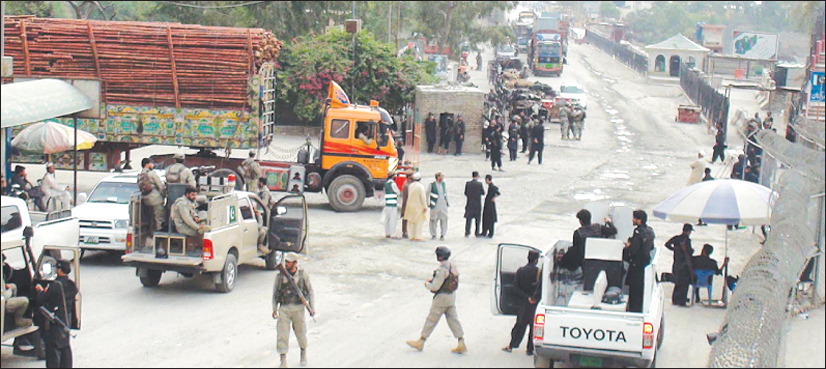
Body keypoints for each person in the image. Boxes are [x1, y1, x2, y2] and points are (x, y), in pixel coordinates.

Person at [406, 246, 466, 354]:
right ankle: (461, 342)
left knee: (431, 319)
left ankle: (421, 341)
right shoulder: (452, 265)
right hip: (451, 297)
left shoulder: (442, 269)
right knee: (453, 320)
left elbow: (435, 287)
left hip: (441, 298)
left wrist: (427, 284)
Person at [272, 252, 314, 368]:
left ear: (295, 263)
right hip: (284, 308)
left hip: (298, 308)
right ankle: (283, 360)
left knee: (301, 333)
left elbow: (310, 291)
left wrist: (311, 307)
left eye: (288, 262)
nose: (286, 264)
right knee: (282, 335)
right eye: (285, 262)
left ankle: (303, 353)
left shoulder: (301, 275)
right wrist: (274, 308)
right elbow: (275, 293)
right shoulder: (280, 276)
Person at [35, 260, 78, 369]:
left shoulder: (55, 285)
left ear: (59, 270)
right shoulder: (72, 285)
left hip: (54, 323)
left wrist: (40, 291)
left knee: (52, 352)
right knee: (65, 348)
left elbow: (41, 299)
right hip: (65, 322)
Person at [502, 250, 540, 355]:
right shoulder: (539, 272)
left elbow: (515, 287)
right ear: (536, 260)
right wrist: (534, 298)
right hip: (535, 304)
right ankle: (530, 349)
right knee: (534, 326)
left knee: (520, 325)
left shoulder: (521, 271)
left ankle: (511, 345)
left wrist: (526, 297)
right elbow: (541, 288)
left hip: (524, 303)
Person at [623, 210, 655, 313]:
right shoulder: (650, 231)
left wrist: (627, 247)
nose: (632, 220)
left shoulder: (638, 233)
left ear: (639, 220)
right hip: (645, 265)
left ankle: (634, 312)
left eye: (634, 218)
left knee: (634, 294)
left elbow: (634, 251)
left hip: (636, 266)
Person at [171, 187, 210, 252]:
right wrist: (198, 228)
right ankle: (196, 248)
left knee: (204, 214)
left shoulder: (188, 201)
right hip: (182, 227)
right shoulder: (182, 204)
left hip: (187, 224)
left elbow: (192, 211)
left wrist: (196, 217)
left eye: (195, 195)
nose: (194, 197)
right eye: (192, 195)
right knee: (202, 232)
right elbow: (187, 219)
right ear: (187, 194)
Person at [664, 224, 694, 306]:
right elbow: (689, 252)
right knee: (684, 283)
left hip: (676, 262)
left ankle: (675, 299)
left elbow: (667, 244)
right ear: (688, 231)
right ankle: (681, 300)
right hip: (684, 264)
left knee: (677, 281)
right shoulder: (687, 240)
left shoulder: (676, 238)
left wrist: (675, 250)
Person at [139, 158, 166, 233]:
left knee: (150, 218)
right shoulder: (152, 174)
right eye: (152, 163)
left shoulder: (141, 174)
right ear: (147, 164)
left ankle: (150, 232)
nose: (153, 165)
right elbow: (160, 186)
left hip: (146, 199)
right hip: (155, 199)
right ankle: (159, 234)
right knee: (159, 218)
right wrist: (163, 196)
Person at [404, 172, 428, 241]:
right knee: (418, 222)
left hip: (410, 205)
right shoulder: (421, 187)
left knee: (411, 222)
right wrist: (425, 206)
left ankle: (411, 236)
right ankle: (418, 236)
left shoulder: (411, 185)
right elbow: (423, 197)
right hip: (418, 206)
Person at [428, 173, 450, 241]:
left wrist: (447, 202)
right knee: (433, 220)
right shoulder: (432, 185)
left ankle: (443, 234)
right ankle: (433, 234)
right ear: (437, 177)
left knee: (444, 219)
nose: (442, 178)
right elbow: (427, 193)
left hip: (443, 205)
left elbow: (445, 193)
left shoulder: (443, 184)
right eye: (440, 177)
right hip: (435, 205)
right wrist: (427, 203)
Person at [464, 172, 485, 238]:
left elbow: (465, 193)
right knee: (477, 220)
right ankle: (477, 232)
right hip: (477, 204)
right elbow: (483, 193)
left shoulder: (468, 184)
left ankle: (467, 232)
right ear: (477, 176)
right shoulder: (479, 184)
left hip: (469, 203)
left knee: (468, 219)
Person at [382, 172, 401, 239]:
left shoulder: (386, 184)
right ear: (393, 177)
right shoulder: (393, 184)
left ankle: (387, 233)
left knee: (387, 220)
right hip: (393, 205)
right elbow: (398, 192)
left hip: (387, 204)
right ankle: (392, 234)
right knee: (393, 220)